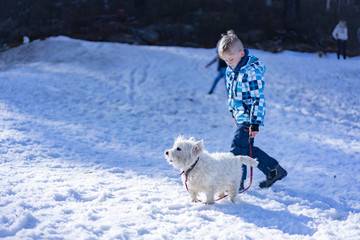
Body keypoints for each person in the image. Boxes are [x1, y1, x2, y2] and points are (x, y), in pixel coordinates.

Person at [217, 30, 287, 189]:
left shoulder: (252, 72)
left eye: (231, 59)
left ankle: (237, 182)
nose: (229, 63)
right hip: (240, 115)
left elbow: (258, 99)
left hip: (249, 117)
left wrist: (255, 123)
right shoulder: (230, 70)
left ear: (241, 53)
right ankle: (274, 170)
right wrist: (233, 113)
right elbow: (232, 94)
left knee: (236, 149)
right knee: (247, 150)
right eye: (225, 60)